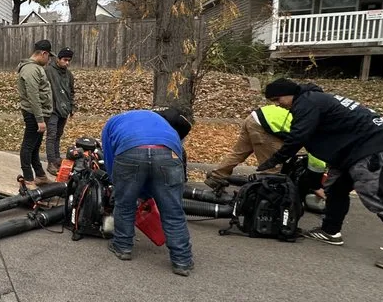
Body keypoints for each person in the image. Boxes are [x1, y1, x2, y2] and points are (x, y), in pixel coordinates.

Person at [257, 78, 383, 272]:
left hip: (376, 149)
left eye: (278, 99)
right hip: (351, 153)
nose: (277, 104)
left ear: (290, 93)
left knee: (376, 198)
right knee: (336, 187)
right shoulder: (313, 99)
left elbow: (298, 136)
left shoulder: (307, 103)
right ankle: (330, 231)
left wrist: (275, 159)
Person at [101, 107, 195, 276]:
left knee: (125, 204)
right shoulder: (163, 124)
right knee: (173, 210)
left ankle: (122, 247)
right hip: (168, 152)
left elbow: (110, 157)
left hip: (129, 150)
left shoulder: (112, 123)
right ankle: (182, 260)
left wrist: (117, 184)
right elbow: (178, 156)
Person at [206, 104, 326, 199]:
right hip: (265, 126)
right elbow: (317, 159)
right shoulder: (322, 129)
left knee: (238, 153)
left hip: (255, 117)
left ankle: (217, 176)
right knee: (272, 169)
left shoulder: (312, 111)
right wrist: (316, 186)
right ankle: (263, 200)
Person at [17, 39, 54, 188]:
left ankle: (40, 176)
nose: (49, 60)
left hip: (39, 113)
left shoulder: (35, 68)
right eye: (49, 56)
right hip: (33, 114)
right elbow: (33, 96)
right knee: (28, 146)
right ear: (43, 53)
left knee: (34, 146)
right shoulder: (31, 69)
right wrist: (40, 119)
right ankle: (28, 179)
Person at [45, 47, 75, 173]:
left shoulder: (68, 75)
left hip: (64, 109)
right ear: (58, 59)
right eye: (65, 60)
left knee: (58, 134)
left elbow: (71, 92)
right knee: (51, 135)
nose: (67, 63)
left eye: (69, 60)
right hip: (52, 108)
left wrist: (71, 107)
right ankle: (51, 161)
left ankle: (57, 158)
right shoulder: (48, 71)